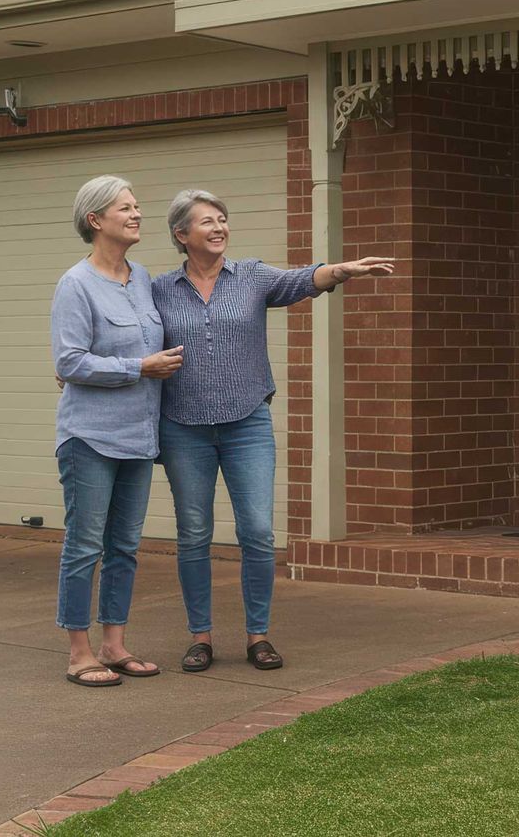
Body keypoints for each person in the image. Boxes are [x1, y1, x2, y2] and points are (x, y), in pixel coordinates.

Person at [153, 188, 393, 673]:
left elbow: (302, 280)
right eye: (207, 221)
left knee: (258, 532)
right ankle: (200, 637)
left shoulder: (253, 277)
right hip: (184, 429)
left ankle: (258, 636)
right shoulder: (157, 290)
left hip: (247, 425)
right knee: (194, 533)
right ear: (182, 235)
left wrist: (340, 271)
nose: (219, 227)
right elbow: (128, 330)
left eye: (223, 218)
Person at [51, 176, 184, 686]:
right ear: (95, 220)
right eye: (125, 208)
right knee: (85, 545)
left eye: (137, 207)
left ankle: (114, 644)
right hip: (90, 438)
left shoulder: (144, 276)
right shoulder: (76, 284)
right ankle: (79, 652)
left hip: (138, 437)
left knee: (125, 545)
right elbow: (68, 360)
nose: (136, 215)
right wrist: (136, 368)